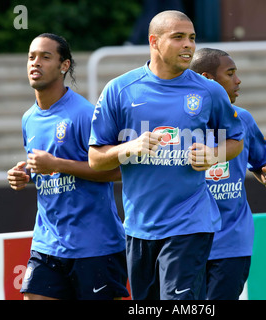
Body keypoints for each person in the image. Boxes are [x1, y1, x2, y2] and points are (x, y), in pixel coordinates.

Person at [88, 11, 244, 300]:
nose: (189, 45)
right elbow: (95, 158)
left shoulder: (209, 91)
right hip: (139, 226)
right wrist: (128, 149)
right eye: (178, 37)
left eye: (192, 38)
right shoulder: (119, 90)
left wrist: (213, 154)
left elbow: (235, 141)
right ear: (154, 41)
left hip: (191, 222)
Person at [6, 33, 128, 300]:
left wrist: (57, 164)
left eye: (45, 57)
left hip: (94, 245)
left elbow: (117, 171)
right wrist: (26, 173)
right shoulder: (29, 118)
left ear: (64, 66)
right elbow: (44, 167)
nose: (35, 63)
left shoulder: (84, 114)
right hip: (47, 244)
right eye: (31, 56)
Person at [190, 48, 266, 300]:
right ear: (208, 80)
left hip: (232, 241)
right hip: (187, 242)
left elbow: (262, 164)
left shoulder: (243, 120)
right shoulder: (180, 124)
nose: (238, 81)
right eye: (230, 74)